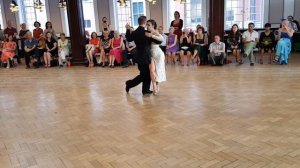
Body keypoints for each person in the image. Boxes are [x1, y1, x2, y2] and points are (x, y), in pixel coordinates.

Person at [125, 16, 162, 95]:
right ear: (145, 23)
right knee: (144, 75)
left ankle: (145, 90)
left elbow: (128, 39)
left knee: (146, 73)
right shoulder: (145, 32)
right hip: (146, 56)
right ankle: (129, 84)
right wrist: (155, 34)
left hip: (138, 55)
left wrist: (128, 30)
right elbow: (158, 42)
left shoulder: (135, 32)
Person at [145, 19, 166, 95]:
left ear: (153, 26)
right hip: (150, 54)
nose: (147, 26)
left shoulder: (155, 32)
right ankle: (154, 86)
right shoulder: (146, 33)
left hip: (158, 53)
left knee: (158, 71)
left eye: (149, 25)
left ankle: (157, 85)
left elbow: (161, 39)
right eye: (146, 25)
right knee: (152, 70)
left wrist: (152, 35)